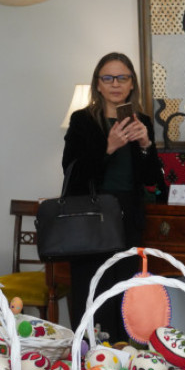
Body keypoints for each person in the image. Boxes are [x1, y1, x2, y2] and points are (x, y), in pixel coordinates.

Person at [61, 52, 166, 343]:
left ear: (132, 84)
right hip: (90, 220)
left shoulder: (142, 121)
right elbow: (72, 172)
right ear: (98, 84)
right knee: (92, 292)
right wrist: (108, 147)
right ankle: (89, 354)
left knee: (126, 295)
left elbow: (152, 181)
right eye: (108, 78)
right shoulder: (82, 120)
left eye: (122, 78)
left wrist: (145, 144)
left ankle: (123, 355)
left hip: (127, 218)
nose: (115, 84)